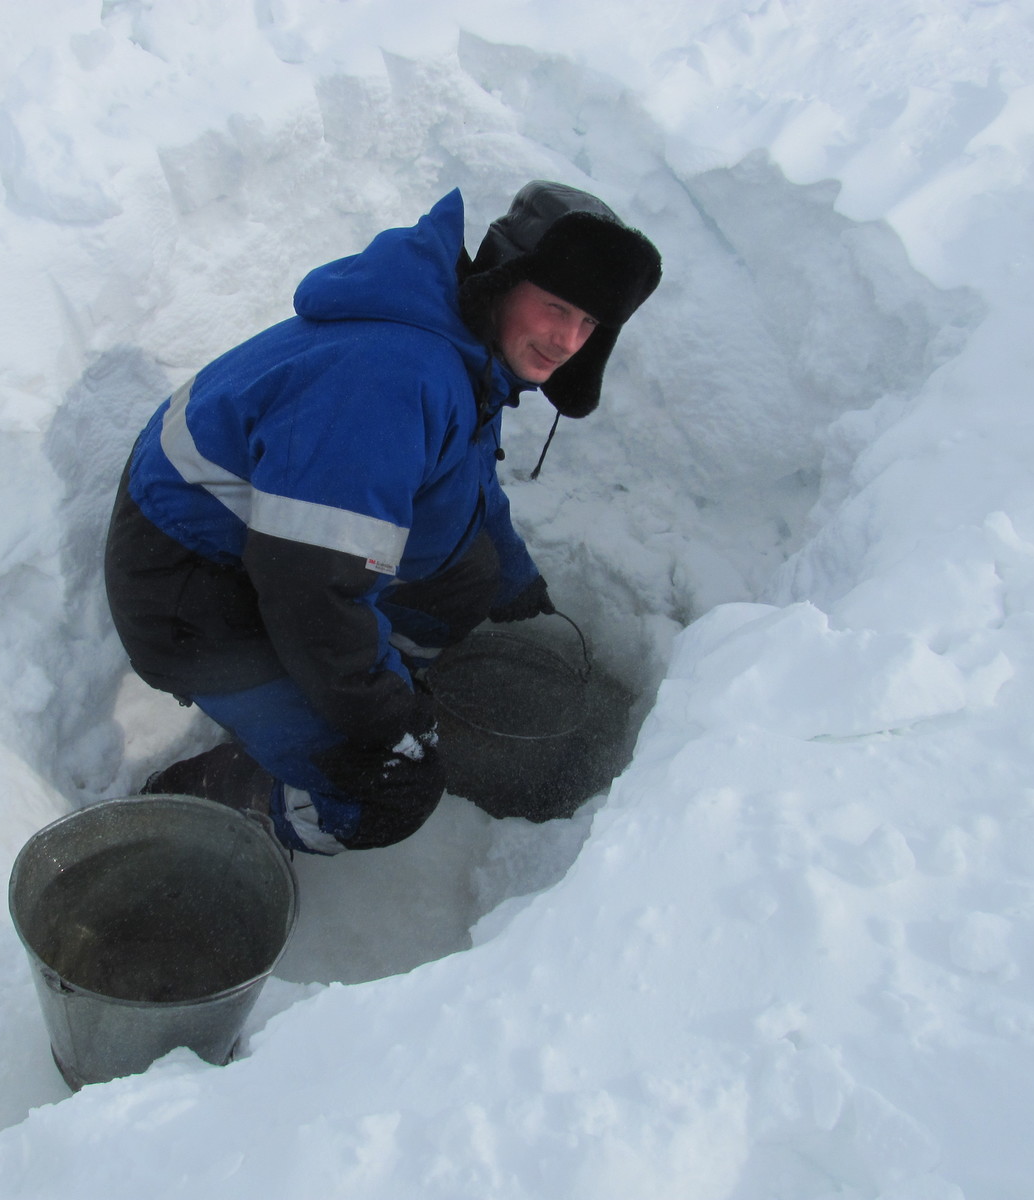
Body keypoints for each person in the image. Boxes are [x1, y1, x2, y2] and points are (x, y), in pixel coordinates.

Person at [103, 181, 661, 854]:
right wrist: (385, 719)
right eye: (557, 307)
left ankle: (337, 702)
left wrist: (515, 582)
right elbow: (310, 590)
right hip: (189, 587)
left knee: (470, 576)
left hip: (261, 552)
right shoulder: (393, 380)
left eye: (590, 324)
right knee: (389, 790)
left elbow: (467, 486)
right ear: (505, 279)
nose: (569, 339)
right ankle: (223, 805)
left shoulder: (466, 348)